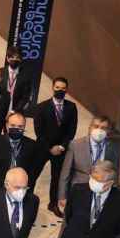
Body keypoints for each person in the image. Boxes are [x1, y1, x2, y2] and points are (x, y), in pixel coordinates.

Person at [52, 114, 120, 238]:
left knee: (93, 222)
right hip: (78, 191)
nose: (99, 130)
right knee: (68, 223)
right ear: (90, 127)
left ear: (108, 131)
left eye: (103, 128)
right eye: (96, 126)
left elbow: (115, 172)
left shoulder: (113, 148)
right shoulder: (76, 145)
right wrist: (62, 196)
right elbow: (65, 172)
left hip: (100, 191)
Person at [34, 77, 78, 217]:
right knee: (33, 174)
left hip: (61, 150)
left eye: (63, 88)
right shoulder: (41, 107)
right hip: (43, 147)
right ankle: (27, 198)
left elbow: (71, 130)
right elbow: (39, 131)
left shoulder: (71, 107)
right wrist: (49, 148)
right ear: (53, 88)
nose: (60, 90)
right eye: (57, 87)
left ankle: (53, 204)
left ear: (66, 90)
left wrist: (61, 146)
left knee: (57, 178)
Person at [4, 46, 37, 114]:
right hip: (0, 109)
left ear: (21, 59)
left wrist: (15, 110)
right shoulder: (0, 72)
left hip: (16, 111)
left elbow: (25, 96)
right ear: (7, 58)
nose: (14, 60)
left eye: (17, 58)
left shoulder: (26, 76)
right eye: (12, 57)